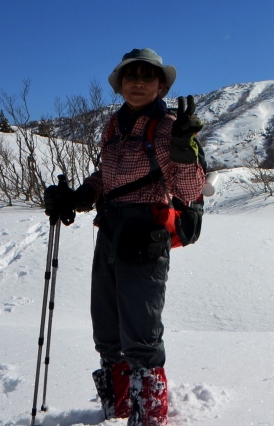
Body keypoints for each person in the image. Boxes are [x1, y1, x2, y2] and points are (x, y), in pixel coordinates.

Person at [43, 48, 205, 426]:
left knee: (141, 334)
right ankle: (116, 412)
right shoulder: (113, 126)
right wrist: (80, 195)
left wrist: (185, 149)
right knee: (107, 327)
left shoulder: (168, 127)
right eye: (130, 76)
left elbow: (189, 188)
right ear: (119, 85)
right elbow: (107, 176)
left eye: (147, 77)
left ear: (160, 84)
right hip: (111, 230)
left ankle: (148, 418)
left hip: (145, 234)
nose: (138, 83)